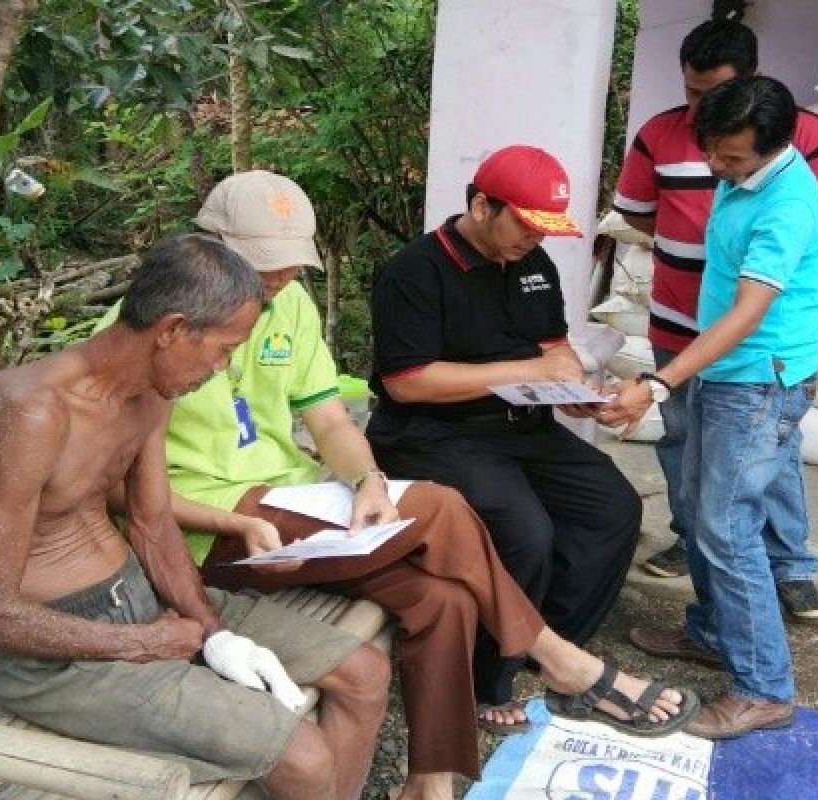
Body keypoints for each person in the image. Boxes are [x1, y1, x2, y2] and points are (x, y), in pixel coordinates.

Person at [124, 171, 694, 800]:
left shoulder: (286, 304)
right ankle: (562, 659)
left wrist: (367, 479)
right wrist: (230, 521)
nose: (279, 279)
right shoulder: (154, 326)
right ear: (209, 245)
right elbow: (120, 491)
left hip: (287, 505)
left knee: (442, 599)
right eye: (264, 265)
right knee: (440, 505)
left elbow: (330, 417)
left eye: (289, 265)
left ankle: (429, 783)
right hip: (217, 530)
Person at [0, 234, 390, 800]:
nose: (223, 367)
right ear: (173, 330)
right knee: (302, 757)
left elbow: (153, 526)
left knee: (365, 674)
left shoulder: (150, 395)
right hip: (50, 656)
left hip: (142, 602)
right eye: (224, 349)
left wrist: (212, 632)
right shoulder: (30, 412)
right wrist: (144, 646)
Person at [366, 145, 644, 734]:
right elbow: (409, 384)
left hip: (522, 426)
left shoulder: (532, 265)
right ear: (481, 205)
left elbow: (552, 347)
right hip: (433, 433)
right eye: (523, 223)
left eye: (544, 230)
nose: (532, 240)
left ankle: (551, 644)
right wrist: (522, 374)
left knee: (613, 507)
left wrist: (576, 388)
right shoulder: (413, 271)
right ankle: (483, 679)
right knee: (526, 532)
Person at [613, 17, 818, 625]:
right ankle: (709, 591)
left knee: (751, 481)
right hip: (684, 326)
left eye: (713, 94)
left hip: (749, 351)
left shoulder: (791, 154)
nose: (699, 112)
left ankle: (784, 575)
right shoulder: (687, 145)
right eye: (691, 93)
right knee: (696, 469)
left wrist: (771, 273)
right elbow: (640, 214)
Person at [602, 75, 818, 738]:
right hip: (726, 374)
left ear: (774, 146)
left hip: (758, 381)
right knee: (701, 512)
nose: (715, 167)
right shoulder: (744, 178)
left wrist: (660, 381)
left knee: (728, 526)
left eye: (730, 159)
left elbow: (750, 312)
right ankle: (712, 631)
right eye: (712, 152)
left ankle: (764, 686)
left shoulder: (787, 206)